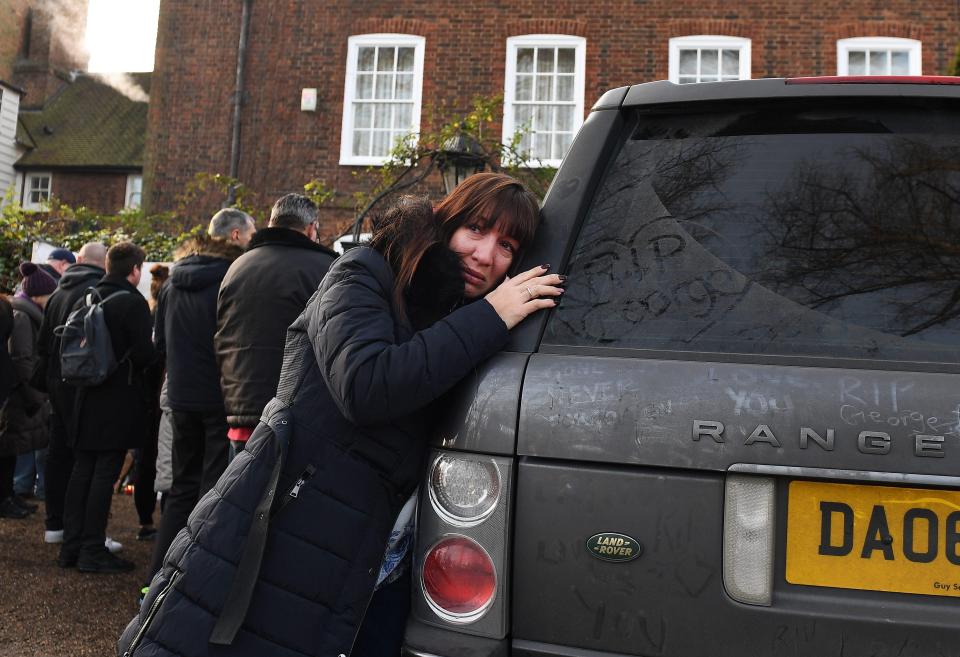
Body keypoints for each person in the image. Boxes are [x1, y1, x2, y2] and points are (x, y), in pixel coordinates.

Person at [119, 173, 563, 656]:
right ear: (444, 221)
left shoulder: (453, 313)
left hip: (375, 552)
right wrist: (491, 316)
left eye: (507, 247)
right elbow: (366, 385)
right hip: (285, 522)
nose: (486, 255)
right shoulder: (362, 273)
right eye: (475, 230)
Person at [146, 209, 254, 581]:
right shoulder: (231, 279)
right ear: (235, 236)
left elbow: (158, 342)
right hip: (217, 396)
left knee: (180, 488)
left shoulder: (172, 282)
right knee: (213, 490)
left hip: (179, 396)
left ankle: (157, 576)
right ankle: (193, 579)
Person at [59, 242, 157, 574]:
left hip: (83, 395)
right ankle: (91, 549)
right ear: (134, 270)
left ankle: (71, 547)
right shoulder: (132, 303)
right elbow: (144, 355)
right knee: (104, 473)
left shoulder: (85, 296)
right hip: (118, 397)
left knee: (81, 470)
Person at [215, 194, 336, 457]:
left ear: (271, 224)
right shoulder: (326, 270)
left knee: (239, 493)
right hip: (295, 416)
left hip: (240, 411)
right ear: (311, 227)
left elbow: (222, 334)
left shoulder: (236, 267)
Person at [34, 241, 108, 543]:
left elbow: (42, 345)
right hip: (80, 382)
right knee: (84, 458)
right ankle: (81, 531)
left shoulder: (57, 293)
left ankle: (55, 524)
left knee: (57, 452)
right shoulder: (97, 292)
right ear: (102, 264)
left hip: (55, 381)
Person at [0, 263, 56, 519]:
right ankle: (5, 497)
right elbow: (22, 359)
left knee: (11, 448)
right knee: (8, 447)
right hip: (19, 394)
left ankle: (9, 494)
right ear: (38, 295)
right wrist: (35, 395)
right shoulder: (22, 315)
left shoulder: (21, 312)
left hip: (18, 391)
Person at [132, 263, 170, 544]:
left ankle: (145, 521)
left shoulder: (147, 312)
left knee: (145, 461)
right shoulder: (161, 316)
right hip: (160, 399)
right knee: (164, 461)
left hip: (146, 399)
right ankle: (162, 522)